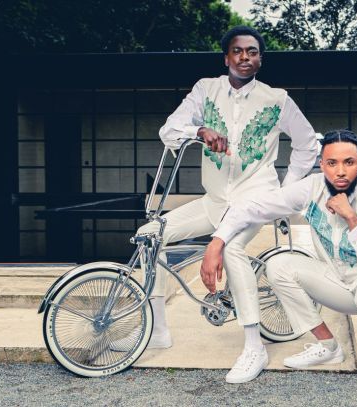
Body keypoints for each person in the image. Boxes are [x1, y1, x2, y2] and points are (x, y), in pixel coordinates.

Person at [132, 25, 318, 384]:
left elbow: (308, 144)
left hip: (254, 199)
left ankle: (254, 347)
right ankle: (157, 329)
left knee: (231, 249)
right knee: (149, 235)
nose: (245, 57)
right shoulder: (206, 89)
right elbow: (169, 131)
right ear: (226, 57)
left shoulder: (277, 99)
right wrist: (200, 131)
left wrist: (286, 191)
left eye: (252, 51)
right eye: (238, 51)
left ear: (260, 59)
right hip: (214, 200)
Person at [201, 129, 357, 369]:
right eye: (332, 163)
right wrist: (217, 242)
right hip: (337, 280)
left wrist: (352, 218)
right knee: (278, 266)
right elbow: (253, 207)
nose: (340, 171)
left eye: (349, 162)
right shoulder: (311, 188)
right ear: (322, 165)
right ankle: (328, 347)